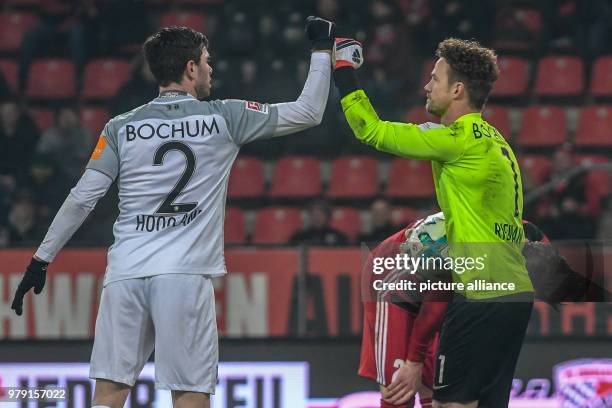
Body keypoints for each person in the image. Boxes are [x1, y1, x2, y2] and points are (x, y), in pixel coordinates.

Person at [11, 19, 336, 408]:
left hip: (125, 274)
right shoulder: (225, 117)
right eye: (207, 61)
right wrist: (322, 50)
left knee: (109, 394)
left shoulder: (121, 127)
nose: (212, 69)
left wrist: (40, 259)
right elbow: (308, 112)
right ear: (191, 68)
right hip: (183, 275)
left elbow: (82, 198)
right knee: (190, 393)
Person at [334, 37, 533, 407]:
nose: (427, 85)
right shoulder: (497, 141)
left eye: (435, 78)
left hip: (479, 293)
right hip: (515, 297)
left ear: (457, 89)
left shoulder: (456, 140)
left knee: (449, 404)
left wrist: (342, 68)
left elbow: (370, 130)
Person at [360, 212, 591, 408]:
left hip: (439, 282)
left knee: (436, 387)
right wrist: (413, 361)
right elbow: (435, 307)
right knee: (399, 389)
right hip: (392, 282)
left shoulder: (535, 244)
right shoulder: (481, 256)